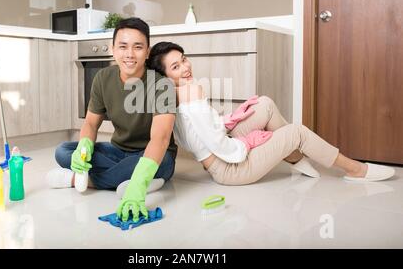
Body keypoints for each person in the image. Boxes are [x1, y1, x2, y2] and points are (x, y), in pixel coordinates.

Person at [146, 41, 396, 185]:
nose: (186, 67)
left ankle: (294, 157)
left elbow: (202, 132)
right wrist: (248, 143)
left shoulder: (174, 94)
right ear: (166, 75)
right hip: (229, 168)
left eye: (184, 59)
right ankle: (355, 170)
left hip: (221, 151)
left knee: (263, 104)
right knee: (296, 132)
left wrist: (231, 118)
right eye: (176, 66)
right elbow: (219, 145)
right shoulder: (191, 93)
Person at [47, 18, 178, 222]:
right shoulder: (102, 78)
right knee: (63, 151)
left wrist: (137, 187)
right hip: (117, 151)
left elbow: (160, 141)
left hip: (155, 156)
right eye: (123, 46)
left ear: (147, 51)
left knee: (162, 163)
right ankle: (125, 179)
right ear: (113, 48)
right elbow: (91, 123)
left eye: (137, 47)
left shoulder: (161, 85)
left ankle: (81, 180)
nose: (129, 54)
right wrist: (84, 146)